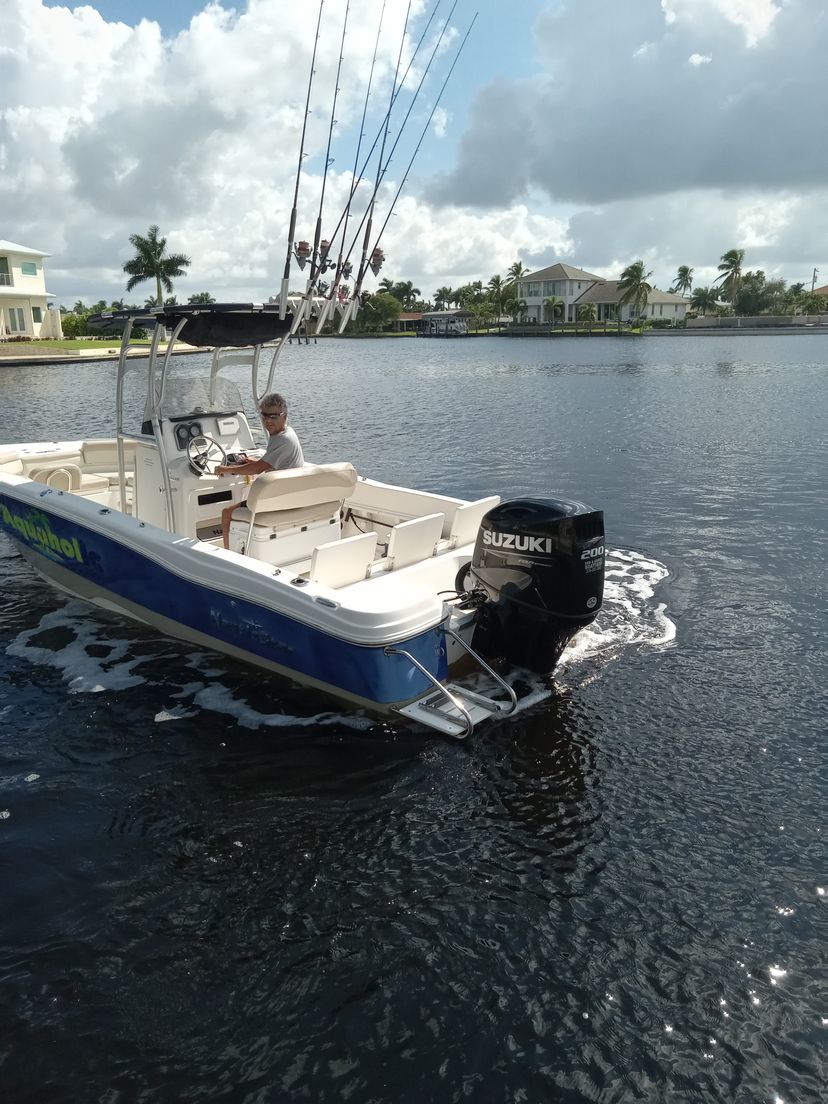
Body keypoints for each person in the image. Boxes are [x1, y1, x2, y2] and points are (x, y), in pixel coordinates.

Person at [217, 392, 304, 548]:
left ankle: (228, 557)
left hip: (278, 500)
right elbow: (270, 463)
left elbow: (256, 469)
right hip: (288, 494)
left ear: (284, 416)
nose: (267, 421)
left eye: (273, 417)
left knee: (226, 514)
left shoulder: (283, 439)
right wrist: (253, 462)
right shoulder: (284, 433)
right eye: (264, 416)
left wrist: (226, 469)